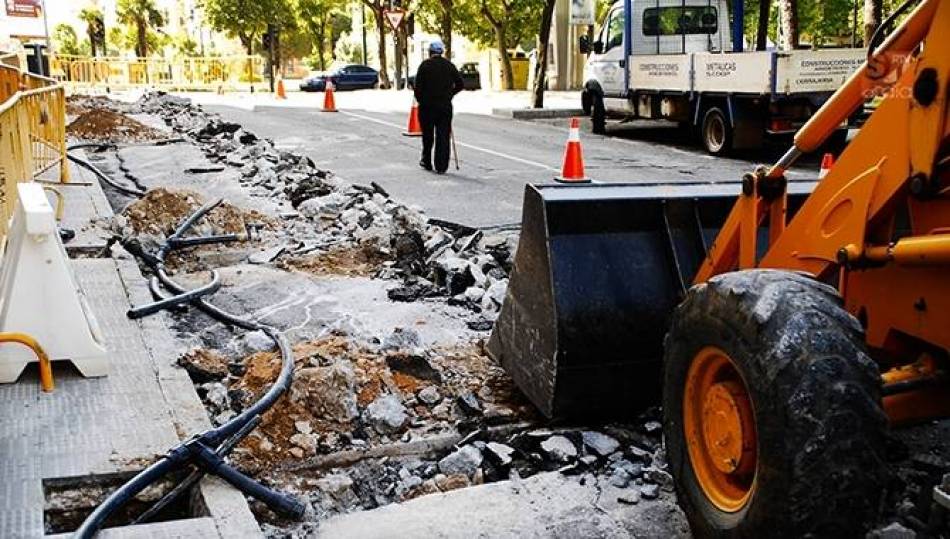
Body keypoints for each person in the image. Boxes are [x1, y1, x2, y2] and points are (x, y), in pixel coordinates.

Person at [413, 40, 463, 174]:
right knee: (443, 135)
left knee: (428, 135)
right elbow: (460, 84)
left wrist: (422, 99)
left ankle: (427, 161)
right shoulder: (449, 66)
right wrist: (450, 94)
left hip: (427, 107)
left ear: (430, 52)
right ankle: (441, 165)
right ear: (442, 52)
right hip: (444, 106)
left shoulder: (424, 66)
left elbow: (417, 88)